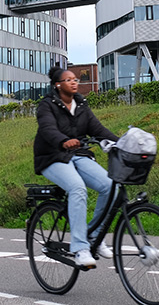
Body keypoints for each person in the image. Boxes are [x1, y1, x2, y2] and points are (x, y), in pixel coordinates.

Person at [33, 65, 119, 268]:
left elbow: (98, 129)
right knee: (77, 188)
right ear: (58, 85)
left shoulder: (81, 105)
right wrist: (63, 140)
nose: (74, 82)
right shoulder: (47, 105)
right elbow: (47, 129)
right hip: (52, 157)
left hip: (77, 155)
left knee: (111, 186)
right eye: (68, 79)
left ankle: (94, 237)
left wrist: (122, 143)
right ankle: (80, 248)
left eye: (75, 79)